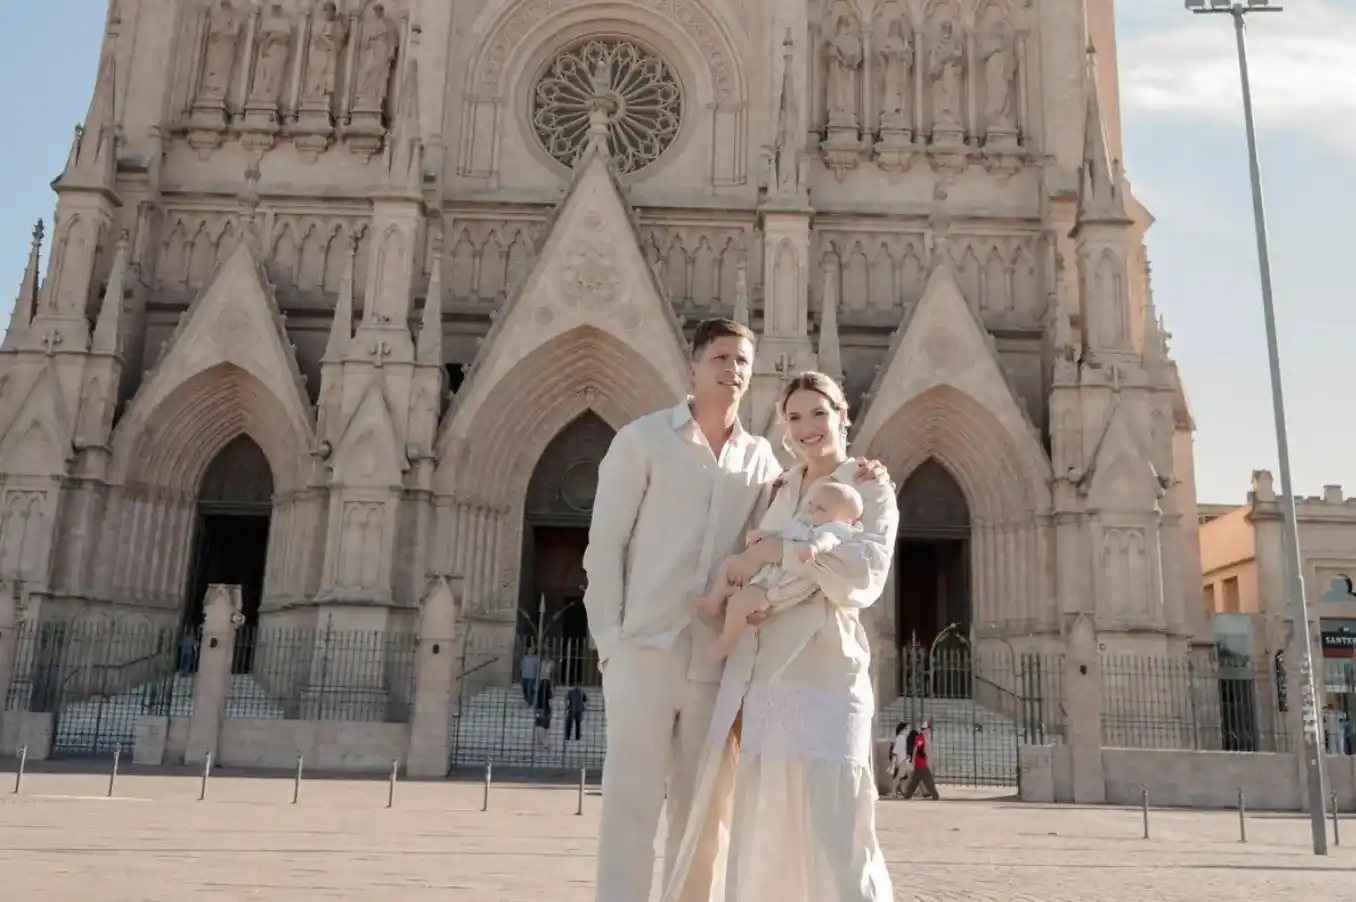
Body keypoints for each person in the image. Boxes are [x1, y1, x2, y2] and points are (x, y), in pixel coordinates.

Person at [583, 321, 881, 902]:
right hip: (644, 651)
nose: (733, 369)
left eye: (743, 359)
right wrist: (610, 645)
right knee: (629, 807)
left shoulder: (762, 459)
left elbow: (806, 506)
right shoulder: (642, 441)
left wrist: (862, 473)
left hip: (717, 663)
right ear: (693, 366)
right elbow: (604, 547)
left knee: (703, 819)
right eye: (721, 357)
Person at [662, 371, 898, 902]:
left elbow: (864, 575)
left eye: (819, 413)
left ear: (843, 416)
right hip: (764, 671)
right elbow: (744, 557)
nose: (807, 426)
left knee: (836, 825)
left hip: (825, 669)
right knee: (766, 827)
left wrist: (780, 554)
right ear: (784, 428)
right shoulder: (779, 487)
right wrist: (775, 563)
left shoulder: (868, 484)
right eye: (794, 417)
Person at [697, 481, 864, 662]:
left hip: (777, 584)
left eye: (821, 509)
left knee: (738, 604)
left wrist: (814, 547)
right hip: (767, 570)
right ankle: (714, 600)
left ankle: (727, 642)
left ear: (845, 521)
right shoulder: (805, 521)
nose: (812, 510)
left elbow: (828, 540)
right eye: (811, 504)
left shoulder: (833, 529)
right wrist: (763, 534)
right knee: (729, 563)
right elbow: (784, 533)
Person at [900, 723, 939, 800]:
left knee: (915, 780)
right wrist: (914, 760)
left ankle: (907, 795)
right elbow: (916, 749)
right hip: (921, 763)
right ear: (926, 730)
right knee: (928, 780)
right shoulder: (920, 738)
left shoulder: (923, 738)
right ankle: (935, 796)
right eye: (928, 730)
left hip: (921, 763)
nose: (929, 732)